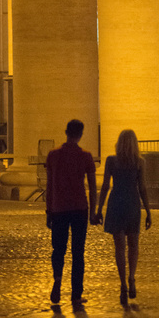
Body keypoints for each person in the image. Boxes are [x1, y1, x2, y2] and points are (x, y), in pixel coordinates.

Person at [95, 129, 152, 306]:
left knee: (119, 247)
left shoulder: (111, 161)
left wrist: (99, 208)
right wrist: (148, 211)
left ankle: (122, 284)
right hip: (132, 202)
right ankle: (132, 277)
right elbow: (142, 187)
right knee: (134, 244)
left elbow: (105, 185)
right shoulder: (139, 162)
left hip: (116, 202)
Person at [45, 119, 97, 306]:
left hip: (59, 208)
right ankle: (76, 294)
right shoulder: (85, 157)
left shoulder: (53, 155)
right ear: (80, 134)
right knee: (78, 252)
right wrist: (94, 212)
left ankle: (57, 280)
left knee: (58, 249)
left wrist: (48, 211)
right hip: (79, 208)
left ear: (66, 132)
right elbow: (92, 187)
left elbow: (49, 185)